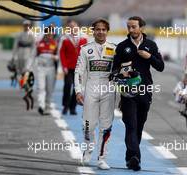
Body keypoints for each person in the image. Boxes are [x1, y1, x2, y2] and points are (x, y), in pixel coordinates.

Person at [112, 16, 164, 171]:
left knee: (139, 125)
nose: (131, 30)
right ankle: (135, 157)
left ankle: (130, 157)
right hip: (128, 91)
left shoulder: (151, 45)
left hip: (145, 90)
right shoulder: (122, 46)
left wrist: (150, 57)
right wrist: (122, 74)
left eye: (134, 26)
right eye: (129, 27)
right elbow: (114, 70)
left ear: (141, 27)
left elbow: (161, 66)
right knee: (131, 125)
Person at [74, 19, 116, 170]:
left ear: (107, 31)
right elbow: (78, 71)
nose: (100, 32)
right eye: (98, 29)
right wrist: (78, 90)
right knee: (88, 125)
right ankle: (88, 148)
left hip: (108, 89)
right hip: (90, 87)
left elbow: (121, 70)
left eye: (103, 29)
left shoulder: (114, 49)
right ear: (93, 31)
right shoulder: (85, 49)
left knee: (106, 126)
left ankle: (102, 158)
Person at [26, 27, 58, 115]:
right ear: (45, 33)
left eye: (51, 34)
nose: (50, 35)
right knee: (41, 87)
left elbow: (59, 56)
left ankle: (47, 105)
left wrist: (55, 57)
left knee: (49, 89)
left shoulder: (55, 44)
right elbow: (32, 56)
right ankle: (41, 106)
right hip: (41, 68)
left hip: (51, 68)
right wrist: (28, 67)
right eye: (48, 33)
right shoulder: (39, 44)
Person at [59, 19, 88, 115]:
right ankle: (65, 106)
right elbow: (62, 53)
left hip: (80, 67)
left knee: (77, 89)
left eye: (74, 26)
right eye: (70, 27)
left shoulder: (84, 37)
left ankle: (73, 107)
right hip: (69, 67)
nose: (72, 28)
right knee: (67, 86)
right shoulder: (65, 38)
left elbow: (87, 52)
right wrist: (64, 66)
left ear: (77, 26)